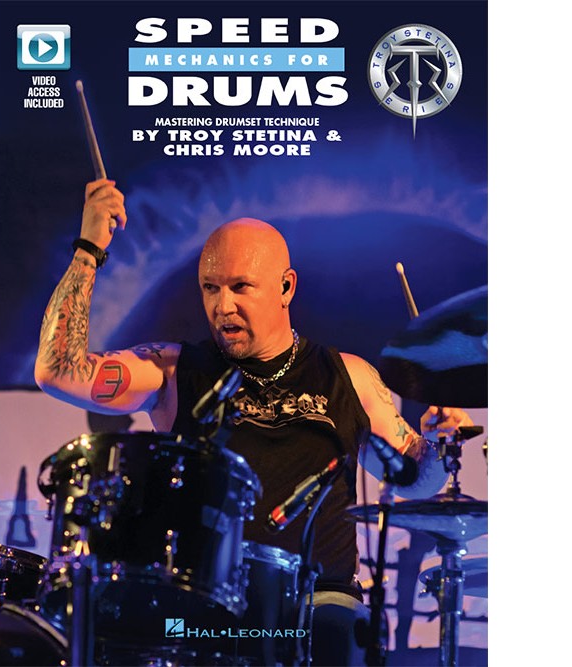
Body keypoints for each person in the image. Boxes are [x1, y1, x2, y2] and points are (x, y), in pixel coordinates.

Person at [34, 178, 474, 666]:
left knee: (337, 637)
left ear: (285, 287)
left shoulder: (347, 376)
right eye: (210, 288)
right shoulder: (175, 371)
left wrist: (437, 444)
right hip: (206, 612)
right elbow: (57, 372)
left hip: (319, 606)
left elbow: (414, 480)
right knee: (153, 630)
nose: (223, 306)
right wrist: (89, 249)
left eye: (240, 287)